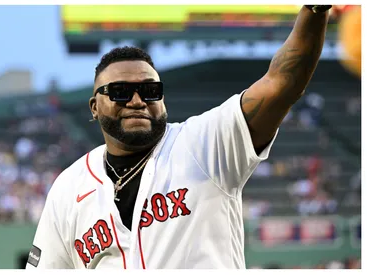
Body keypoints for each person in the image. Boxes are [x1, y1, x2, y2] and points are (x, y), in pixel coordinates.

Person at [26, 5, 332, 269]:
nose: (136, 100)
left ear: (163, 100)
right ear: (94, 106)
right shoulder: (68, 188)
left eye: (149, 91)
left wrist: (315, 9)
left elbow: (281, 83)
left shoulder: (205, 143)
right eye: (120, 92)